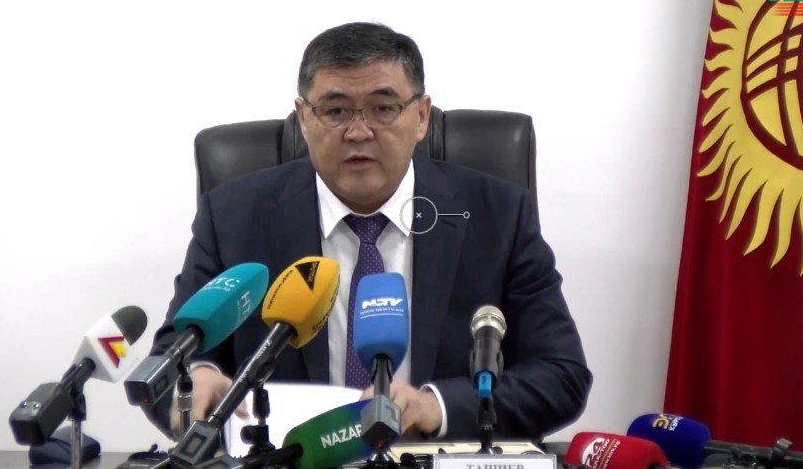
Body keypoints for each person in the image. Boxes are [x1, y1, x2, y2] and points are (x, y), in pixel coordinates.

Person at [146, 22, 592, 441]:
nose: (359, 132)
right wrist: (196, 377)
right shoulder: (234, 216)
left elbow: (561, 375)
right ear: (303, 119)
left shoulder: (497, 214)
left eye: (383, 108)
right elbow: (170, 361)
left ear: (421, 116)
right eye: (335, 111)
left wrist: (436, 407)